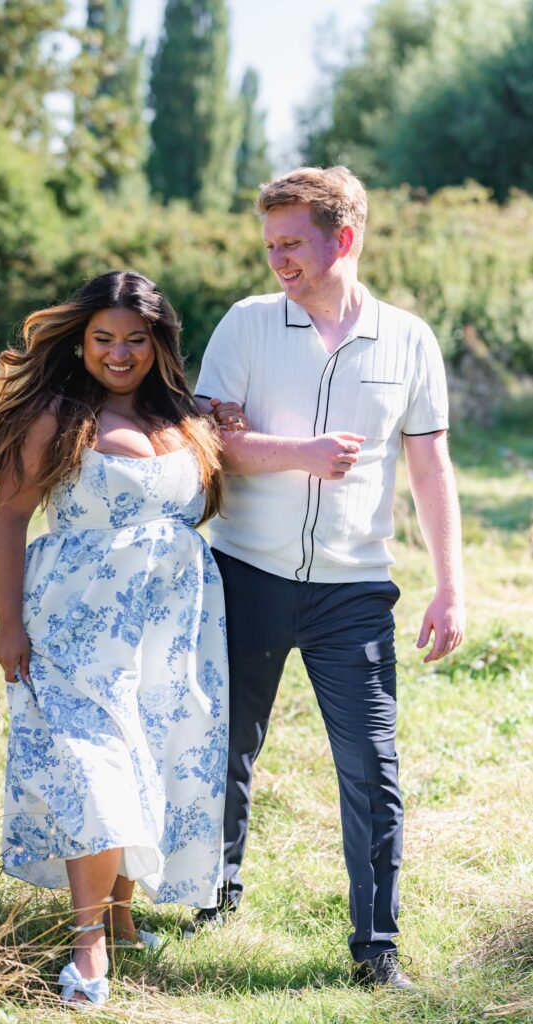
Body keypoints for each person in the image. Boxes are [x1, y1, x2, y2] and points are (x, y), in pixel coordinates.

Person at [192, 166, 465, 989]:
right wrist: (299, 457)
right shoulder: (244, 326)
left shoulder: (408, 338)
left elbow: (430, 466)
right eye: (268, 244)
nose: (277, 259)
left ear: (341, 238)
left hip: (353, 592)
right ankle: (215, 892)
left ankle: (375, 948)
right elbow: (210, 440)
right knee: (226, 747)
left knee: (370, 765)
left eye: (291, 244)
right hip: (246, 573)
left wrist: (450, 583)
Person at [0, 271, 229, 1008]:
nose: (118, 353)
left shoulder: (185, 416)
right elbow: (10, 518)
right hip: (75, 624)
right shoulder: (57, 414)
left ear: (157, 343)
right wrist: (8, 625)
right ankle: (88, 944)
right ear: (80, 341)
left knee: (154, 757)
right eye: (103, 338)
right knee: (96, 773)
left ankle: (123, 915)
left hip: (169, 627)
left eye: (135, 339)